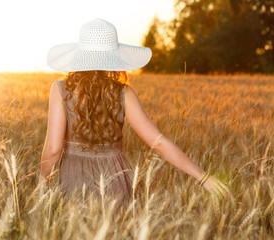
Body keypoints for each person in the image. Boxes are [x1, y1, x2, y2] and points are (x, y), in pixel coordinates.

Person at [34, 18, 232, 208]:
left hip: (74, 181)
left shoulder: (60, 89)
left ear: (80, 55)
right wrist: (202, 177)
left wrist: (42, 181)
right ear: (114, 57)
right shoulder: (124, 93)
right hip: (115, 182)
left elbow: (53, 148)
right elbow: (158, 142)